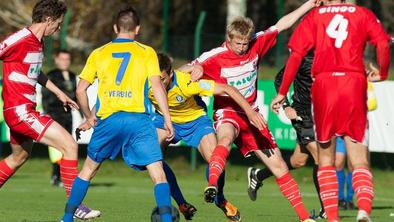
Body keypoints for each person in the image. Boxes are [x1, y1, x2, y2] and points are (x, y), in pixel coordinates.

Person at [187, 1, 321, 221]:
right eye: (238, 43)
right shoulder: (213, 57)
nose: (242, 47)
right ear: (228, 39)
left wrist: (309, 4)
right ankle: (212, 185)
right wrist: (195, 68)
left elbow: (282, 24)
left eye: (245, 43)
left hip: (253, 115)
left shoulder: (255, 43)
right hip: (228, 112)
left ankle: (305, 218)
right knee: (226, 138)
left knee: (279, 166)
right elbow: (183, 71)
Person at [271, 0, 391, 221]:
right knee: (359, 159)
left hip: (325, 86)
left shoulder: (314, 17)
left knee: (326, 160)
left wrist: (282, 93)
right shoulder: (361, 13)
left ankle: (333, 217)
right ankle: (363, 209)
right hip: (353, 83)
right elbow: (383, 44)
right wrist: (383, 73)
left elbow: (296, 56)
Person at [61, 6, 174, 222]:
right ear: (137, 29)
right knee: (158, 173)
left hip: (109, 121)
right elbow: (158, 87)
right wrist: (168, 120)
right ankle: (167, 220)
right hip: (139, 121)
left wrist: (89, 117)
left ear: (115, 28)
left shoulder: (99, 53)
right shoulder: (147, 52)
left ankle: (66, 219)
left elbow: (80, 90)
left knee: (88, 170)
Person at [0, 0, 100, 220]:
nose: (59, 28)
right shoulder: (20, 39)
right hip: (20, 111)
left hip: (22, 109)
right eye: (58, 23)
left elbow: (37, 73)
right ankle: (76, 206)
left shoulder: (39, 42)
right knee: (70, 145)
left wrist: (59, 92)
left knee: (19, 158)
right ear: (47, 20)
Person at [150, 52, 265, 221]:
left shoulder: (187, 83)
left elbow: (227, 88)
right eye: (156, 79)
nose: (158, 84)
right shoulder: (148, 82)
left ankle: (220, 199)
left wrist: (249, 111)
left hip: (195, 121)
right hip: (164, 120)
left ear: (171, 74)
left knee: (216, 159)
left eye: (163, 79)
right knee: (153, 159)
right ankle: (181, 203)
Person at [247, 52, 326, 219]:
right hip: (302, 115)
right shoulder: (303, 56)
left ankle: (258, 175)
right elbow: (279, 79)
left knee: (299, 161)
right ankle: (326, 210)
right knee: (321, 158)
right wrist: (287, 107)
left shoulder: (332, 53)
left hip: (321, 113)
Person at [42, 49, 77, 187]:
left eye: (67, 59)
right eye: (62, 59)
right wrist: (47, 112)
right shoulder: (51, 75)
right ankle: (56, 175)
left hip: (68, 116)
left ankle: (63, 176)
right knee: (57, 147)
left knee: (68, 145)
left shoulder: (73, 76)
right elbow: (45, 95)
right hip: (55, 114)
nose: (65, 62)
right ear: (56, 60)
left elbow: (75, 96)